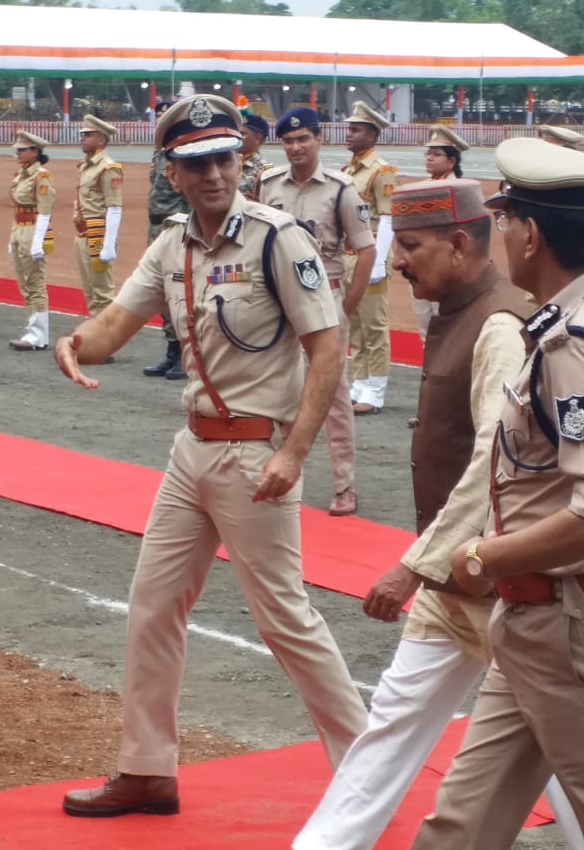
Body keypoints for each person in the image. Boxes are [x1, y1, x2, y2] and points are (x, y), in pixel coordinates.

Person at [56, 94, 368, 817]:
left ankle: (365, 770)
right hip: (191, 452)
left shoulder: (276, 239)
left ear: (242, 160)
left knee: (285, 618)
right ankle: (146, 769)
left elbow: (328, 348)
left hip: (257, 457)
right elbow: (117, 322)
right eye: (195, 163)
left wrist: (295, 452)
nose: (213, 175)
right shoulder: (172, 244)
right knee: (153, 606)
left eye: (224, 159)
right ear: (172, 169)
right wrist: (76, 343)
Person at [295, 178, 584, 850]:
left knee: (567, 755)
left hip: (508, 580)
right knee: (395, 725)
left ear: (461, 245)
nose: (398, 261)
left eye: (414, 246)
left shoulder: (500, 328)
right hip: (458, 580)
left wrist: (410, 565)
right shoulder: (461, 314)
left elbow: (496, 460)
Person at [408, 137, 584, 850]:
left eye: (506, 221)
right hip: (544, 624)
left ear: (532, 233)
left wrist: (483, 555)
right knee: (458, 828)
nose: (503, 235)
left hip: (571, 624)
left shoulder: (576, 342)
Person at [259, 107, 377, 516]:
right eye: (288, 141)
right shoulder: (269, 184)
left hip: (325, 297)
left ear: (318, 139)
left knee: (334, 396)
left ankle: (345, 486)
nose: (295, 147)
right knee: (278, 386)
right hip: (279, 302)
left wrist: (347, 305)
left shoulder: (341, 189)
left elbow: (366, 250)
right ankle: (279, 473)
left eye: (302, 139)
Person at [343, 101, 399, 415]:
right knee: (355, 325)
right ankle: (359, 384)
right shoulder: (349, 170)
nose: (348, 134)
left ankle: (375, 391)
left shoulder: (383, 171)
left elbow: (389, 218)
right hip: (349, 255)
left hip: (370, 256)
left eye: (356, 129)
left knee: (375, 326)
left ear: (372, 135)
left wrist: (378, 261)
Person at [142, 100, 190, 380]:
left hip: (178, 228)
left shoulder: (182, 151)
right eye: (158, 115)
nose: (160, 118)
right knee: (162, 291)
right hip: (157, 228)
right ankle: (172, 350)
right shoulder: (160, 152)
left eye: (165, 115)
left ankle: (186, 354)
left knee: (180, 292)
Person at [412, 126, 469, 346]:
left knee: (448, 324)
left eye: (436, 155)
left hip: (446, 266)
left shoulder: (460, 189)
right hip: (420, 265)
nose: (429, 158)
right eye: (428, 154)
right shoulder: (421, 188)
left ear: (451, 161)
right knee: (424, 323)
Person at [7, 130, 56, 351]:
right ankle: (32, 330)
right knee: (24, 283)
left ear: (35, 152)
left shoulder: (41, 176)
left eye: (22, 150)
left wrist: (38, 241)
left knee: (35, 282)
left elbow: (45, 211)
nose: (18, 153)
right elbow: (18, 208)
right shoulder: (22, 175)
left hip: (34, 229)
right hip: (20, 228)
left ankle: (39, 334)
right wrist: (12, 236)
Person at [74, 114, 123, 317]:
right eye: (82, 134)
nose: (82, 138)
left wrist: (109, 244)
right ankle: (95, 338)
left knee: (102, 293)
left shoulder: (108, 168)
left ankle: (106, 341)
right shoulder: (87, 166)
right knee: (90, 291)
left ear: (101, 139)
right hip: (83, 233)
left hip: (97, 235)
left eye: (88, 135)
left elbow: (114, 207)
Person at [239, 112, 272, 201]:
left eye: (242, 133)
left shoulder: (265, 169)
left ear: (258, 138)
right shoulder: (229, 162)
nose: (237, 137)